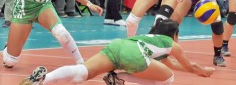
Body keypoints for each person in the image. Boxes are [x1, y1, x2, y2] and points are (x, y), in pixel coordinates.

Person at [20, 18, 215, 85]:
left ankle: (43, 79)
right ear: (174, 34)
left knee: (82, 73)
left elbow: (169, 63)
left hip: (118, 46)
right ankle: (118, 78)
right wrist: (203, 71)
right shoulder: (172, 44)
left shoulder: (151, 39)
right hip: (133, 54)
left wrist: (198, 70)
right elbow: (187, 65)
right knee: (168, 78)